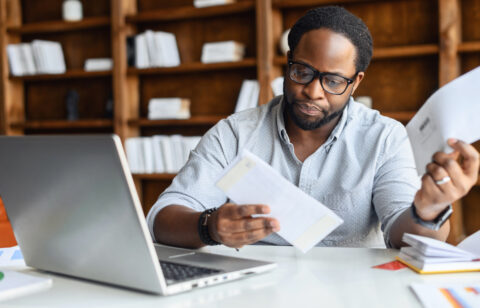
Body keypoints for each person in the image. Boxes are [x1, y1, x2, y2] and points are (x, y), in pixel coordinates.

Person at [146, 6, 479, 250]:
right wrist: (209, 227)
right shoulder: (235, 133)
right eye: (302, 72)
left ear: (356, 81)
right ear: (289, 61)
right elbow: (162, 218)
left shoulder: (384, 137)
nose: (313, 91)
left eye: (333, 80)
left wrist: (429, 209)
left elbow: (401, 237)